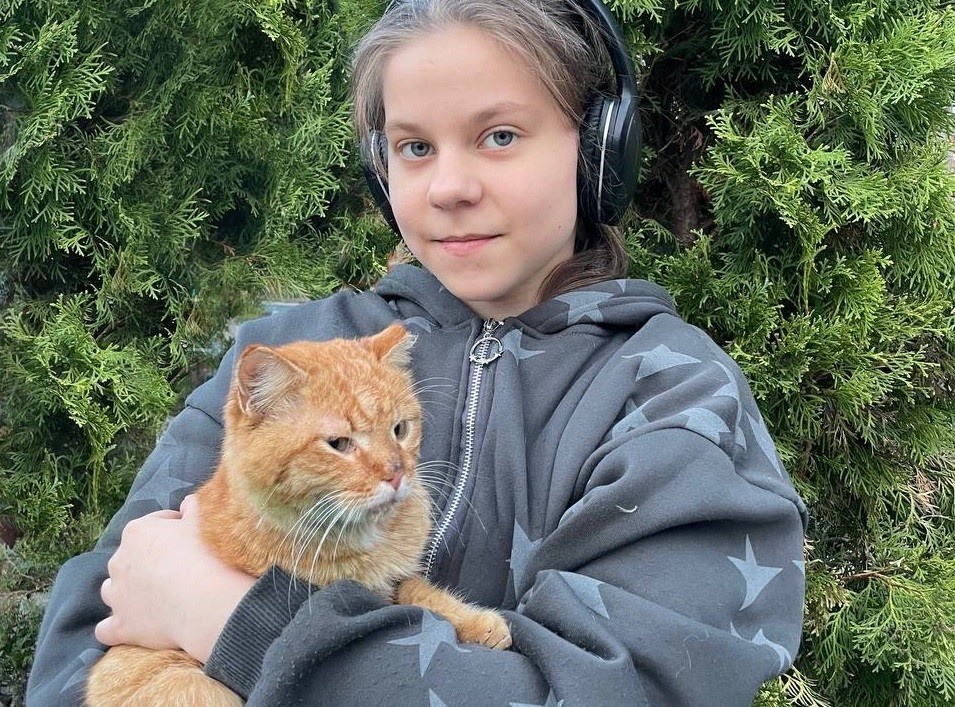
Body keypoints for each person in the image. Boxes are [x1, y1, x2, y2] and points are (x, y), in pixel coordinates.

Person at [27, 0, 807, 704]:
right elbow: (86, 637)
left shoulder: (670, 396)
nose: (447, 187)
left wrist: (236, 620)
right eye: (414, 146)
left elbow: (611, 689)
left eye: (498, 136)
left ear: (597, 149)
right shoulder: (294, 354)